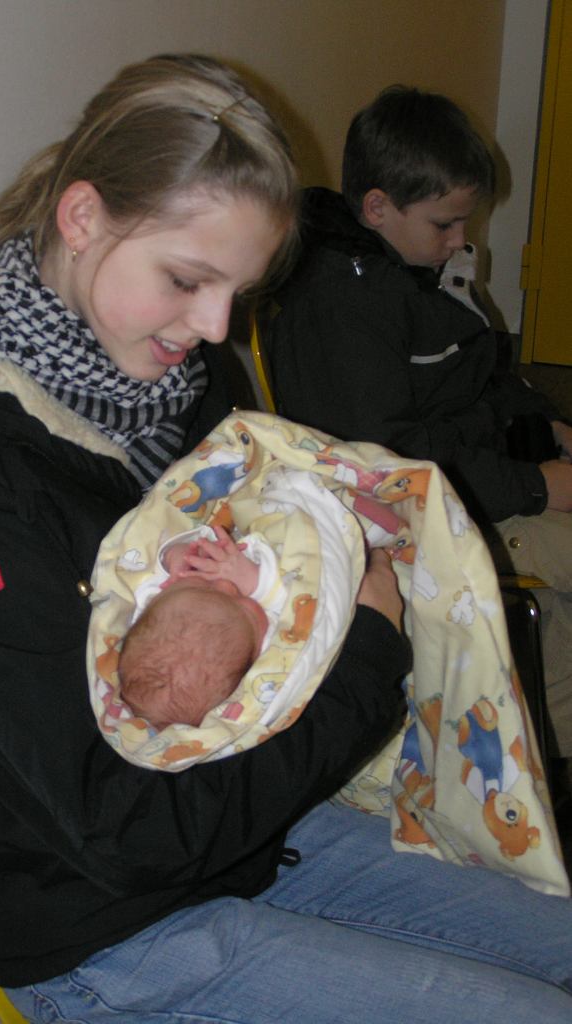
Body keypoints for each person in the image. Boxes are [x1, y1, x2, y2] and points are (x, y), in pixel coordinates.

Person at [0, 54, 572, 1023]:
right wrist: (366, 657)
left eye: (235, 291)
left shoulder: (171, 388)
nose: (214, 328)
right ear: (81, 219)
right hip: (109, 927)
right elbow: (123, 834)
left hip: (246, 828)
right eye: (186, 279)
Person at [265, 85, 572, 764]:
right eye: (445, 224)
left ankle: (543, 729)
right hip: (427, 519)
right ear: (378, 208)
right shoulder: (343, 309)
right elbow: (391, 473)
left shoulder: (411, 267)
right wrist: (537, 486)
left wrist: (548, 425)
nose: (460, 240)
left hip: (479, 478)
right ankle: (526, 751)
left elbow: (480, 366)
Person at [118, 525, 281, 730]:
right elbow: (301, 603)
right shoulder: (271, 650)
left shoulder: (156, 609)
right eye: (238, 598)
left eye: (204, 586)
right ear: (256, 653)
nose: (225, 583)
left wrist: (176, 557)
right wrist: (256, 582)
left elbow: (148, 576)